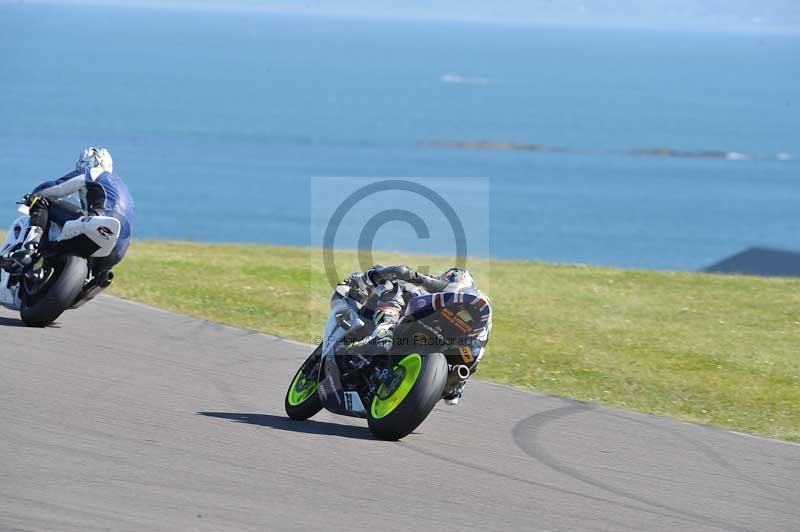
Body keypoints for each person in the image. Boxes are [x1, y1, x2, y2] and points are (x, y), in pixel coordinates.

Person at [342, 265, 492, 405]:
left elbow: (404, 273)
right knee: (460, 375)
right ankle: (455, 381)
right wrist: (456, 383)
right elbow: (453, 394)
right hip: (460, 349)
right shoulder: (481, 320)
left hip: (439, 334)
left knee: (394, 286)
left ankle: (383, 333)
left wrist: (370, 276)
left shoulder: (445, 286)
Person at [7, 147, 134, 275]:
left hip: (99, 221)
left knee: (42, 201)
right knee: (93, 277)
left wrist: (33, 196)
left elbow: (58, 187)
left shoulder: (93, 172)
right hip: (119, 247)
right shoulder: (122, 188)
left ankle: (30, 247)